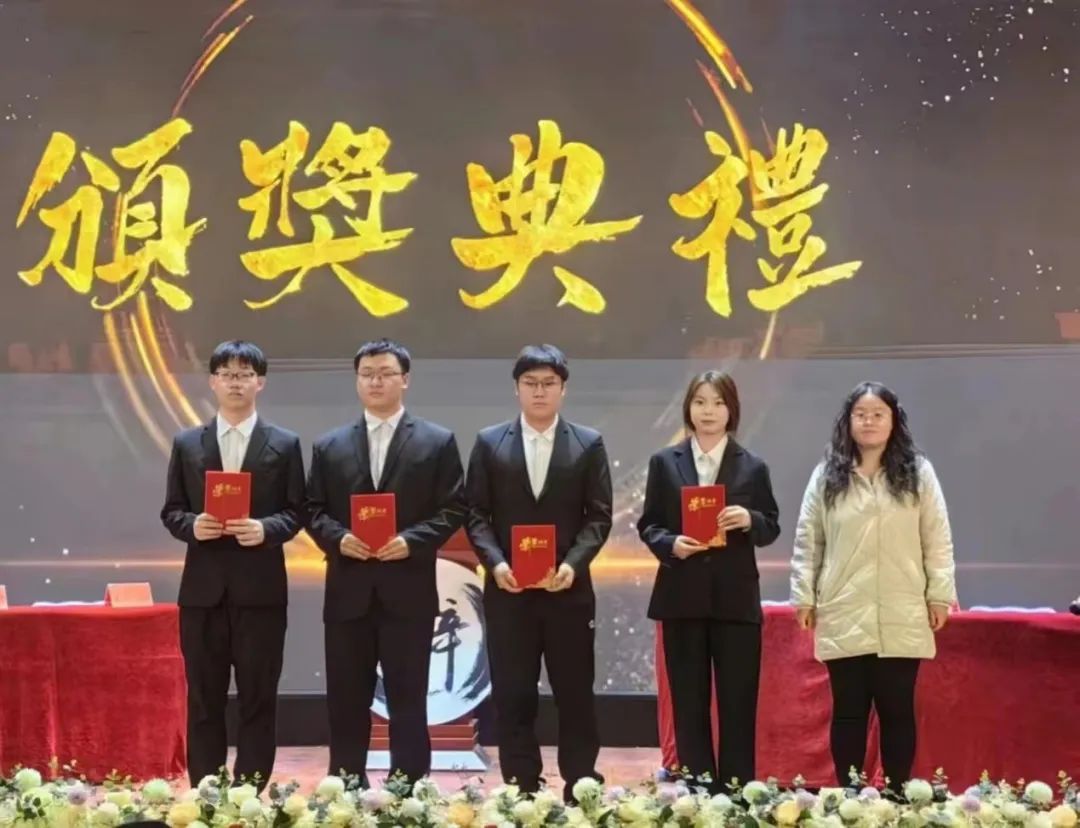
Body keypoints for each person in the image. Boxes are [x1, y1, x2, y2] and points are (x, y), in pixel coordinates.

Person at [306, 338, 465, 785]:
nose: (376, 382)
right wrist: (339, 539)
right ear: (357, 381)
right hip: (348, 589)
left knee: (408, 695)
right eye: (367, 374)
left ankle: (408, 788)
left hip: (407, 589)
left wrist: (412, 541)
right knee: (346, 697)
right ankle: (345, 785)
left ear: (405, 379)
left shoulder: (436, 441)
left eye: (386, 373)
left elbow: (454, 508)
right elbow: (312, 509)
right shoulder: (329, 445)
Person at [790, 381, 956, 792]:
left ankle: (896, 797)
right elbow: (809, 540)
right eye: (860, 414)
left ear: (893, 420)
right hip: (843, 606)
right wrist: (803, 596)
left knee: (897, 710)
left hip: (902, 607)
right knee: (848, 711)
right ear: (848, 422)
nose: (869, 421)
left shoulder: (918, 473)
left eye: (878, 414)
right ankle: (851, 799)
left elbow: (937, 538)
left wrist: (939, 594)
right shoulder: (827, 475)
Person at [464, 344, 612, 802]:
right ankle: (521, 786)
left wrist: (572, 565)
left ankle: (581, 785)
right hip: (509, 591)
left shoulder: (587, 443)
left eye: (549, 383)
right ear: (517, 388)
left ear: (563, 389)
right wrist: (496, 563)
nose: (540, 391)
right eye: (530, 383)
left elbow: (599, 516)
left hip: (568, 591)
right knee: (513, 693)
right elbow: (476, 514)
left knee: (575, 693)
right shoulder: (490, 442)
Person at [161, 340, 305, 788]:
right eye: (227, 374)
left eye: (245, 374)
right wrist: (193, 525)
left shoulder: (284, 444)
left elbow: (297, 511)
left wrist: (265, 529)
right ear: (212, 382)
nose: (235, 382)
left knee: (258, 695)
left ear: (260, 382)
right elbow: (172, 510)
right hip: (202, 593)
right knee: (204, 696)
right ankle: (206, 787)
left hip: (261, 591)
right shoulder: (188, 443)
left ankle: (249, 789)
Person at [637, 370, 780, 791]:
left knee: (737, 703)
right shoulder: (665, 463)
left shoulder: (752, 466)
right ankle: (699, 791)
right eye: (700, 402)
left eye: (718, 402)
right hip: (681, 598)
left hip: (735, 601)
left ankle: (736, 792)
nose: (709, 411)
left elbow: (770, 526)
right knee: (689, 703)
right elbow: (649, 525)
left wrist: (748, 519)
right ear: (688, 408)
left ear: (731, 410)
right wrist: (671, 544)